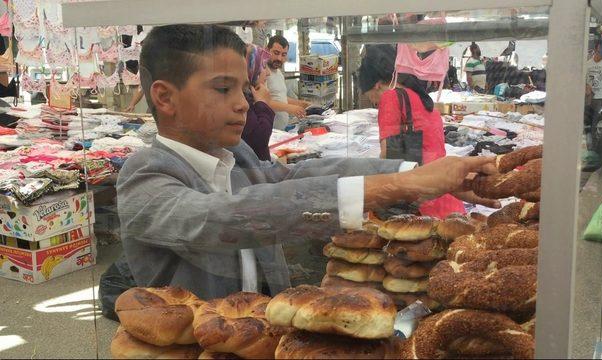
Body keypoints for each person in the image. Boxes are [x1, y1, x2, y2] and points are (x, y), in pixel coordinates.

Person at [112, 24, 499, 303]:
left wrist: (414, 174)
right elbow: (228, 217)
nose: (243, 103)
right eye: (222, 89)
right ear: (164, 98)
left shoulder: (237, 157)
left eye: (244, 89)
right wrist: (404, 187)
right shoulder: (144, 177)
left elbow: (295, 175)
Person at [358, 44, 468, 219]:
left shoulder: (390, 97)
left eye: (368, 95)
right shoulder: (416, 95)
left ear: (377, 84)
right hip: (445, 194)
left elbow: (388, 158)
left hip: (420, 204)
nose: (372, 101)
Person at [265, 35, 310, 130]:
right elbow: (263, 102)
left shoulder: (278, 73)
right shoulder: (263, 72)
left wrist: (300, 104)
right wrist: (290, 108)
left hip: (279, 130)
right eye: (276, 53)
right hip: (268, 130)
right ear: (267, 50)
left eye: (283, 54)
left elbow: (279, 97)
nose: (279, 58)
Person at [241, 44, 274, 161]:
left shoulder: (250, 97)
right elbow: (259, 138)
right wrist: (263, 103)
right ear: (252, 70)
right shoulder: (242, 102)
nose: (268, 73)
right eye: (264, 66)